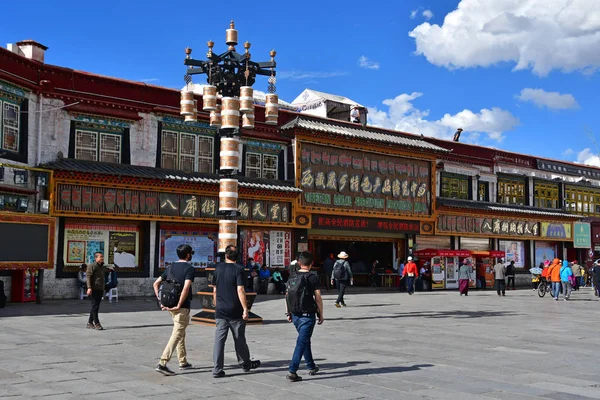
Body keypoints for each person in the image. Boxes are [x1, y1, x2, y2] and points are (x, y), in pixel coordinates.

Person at [212, 245, 260, 378]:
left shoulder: (218, 268)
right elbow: (240, 290)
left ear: (226, 255)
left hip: (221, 310)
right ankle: (245, 363)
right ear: (237, 256)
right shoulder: (239, 269)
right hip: (235, 309)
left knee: (219, 340)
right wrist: (245, 309)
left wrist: (216, 305)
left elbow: (214, 290)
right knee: (239, 338)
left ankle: (217, 369)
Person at [153, 244, 195, 375]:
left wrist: (160, 300)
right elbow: (186, 288)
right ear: (188, 254)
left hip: (169, 304)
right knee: (177, 333)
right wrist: (180, 304)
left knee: (180, 331)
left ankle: (183, 361)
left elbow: (156, 283)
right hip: (181, 306)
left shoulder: (170, 267)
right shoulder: (189, 269)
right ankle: (163, 362)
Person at [285, 251, 324, 382]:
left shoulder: (292, 276)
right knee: (301, 342)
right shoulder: (313, 277)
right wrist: (321, 314)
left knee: (304, 340)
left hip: (295, 315)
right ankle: (292, 370)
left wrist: (288, 312)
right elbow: (318, 297)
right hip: (308, 315)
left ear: (300, 263)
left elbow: (287, 295)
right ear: (311, 263)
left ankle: (311, 366)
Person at [86, 252, 107, 330]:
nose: (102, 258)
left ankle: (89, 323)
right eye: (100, 257)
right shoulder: (92, 266)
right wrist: (89, 287)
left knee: (95, 306)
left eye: (102, 256)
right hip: (93, 289)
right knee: (95, 306)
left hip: (100, 288)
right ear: (96, 258)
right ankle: (97, 323)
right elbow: (88, 277)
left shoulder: (102, 267)